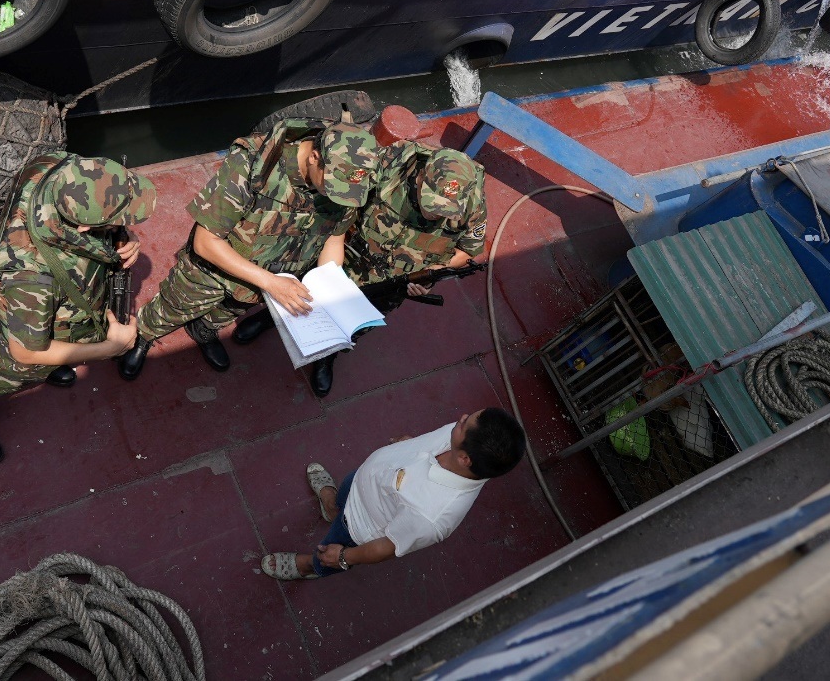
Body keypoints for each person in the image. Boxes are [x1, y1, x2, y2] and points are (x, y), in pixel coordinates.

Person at [118, 114, 379, 379]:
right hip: (214, 272)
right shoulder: (253, 165)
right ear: (314, 157)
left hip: (269, 281)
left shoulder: (346, 185)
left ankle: (203, 330)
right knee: (175, 307)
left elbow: (334, 237)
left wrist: (328, 288)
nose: (339, 195)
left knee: (225, 313)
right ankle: (145, 335)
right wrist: (271, 283)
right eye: (333, 185)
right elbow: (205, 243)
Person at [232, 139, 488, 397]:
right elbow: (346, 194)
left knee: (355, 323)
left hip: (394, 279)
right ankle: (270, 318)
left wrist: (429, 274)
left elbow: (467, 252)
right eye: (430, 203)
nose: (434, 215)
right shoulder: (393, 164)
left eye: (443, 210)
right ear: (421, 176)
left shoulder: (472, 206)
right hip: (350, 250)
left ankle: (328, 355)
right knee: (303, 289)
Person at [0, 152, 157, 465]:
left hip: (72, 297)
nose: (126, 221)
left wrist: (126, 237)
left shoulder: (57, 165)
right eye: (121, 218)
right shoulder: (28, 272)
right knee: (4, 373)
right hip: (31, 324)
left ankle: (59, 362)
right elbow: (25, 352)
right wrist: (109, 348)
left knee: (69, 337)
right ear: (85, 228)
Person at [260, 407, 526, 580]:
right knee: (342, 494)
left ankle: (308, 566)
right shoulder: (464, 442)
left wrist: (342, 557)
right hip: (365, 478)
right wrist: (410, 444)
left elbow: (386, 548)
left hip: (355, 527)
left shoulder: (432, 516)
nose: (461, 418)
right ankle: (331, 506)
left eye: (465, 423)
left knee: (326, 556)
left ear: (465, 459)